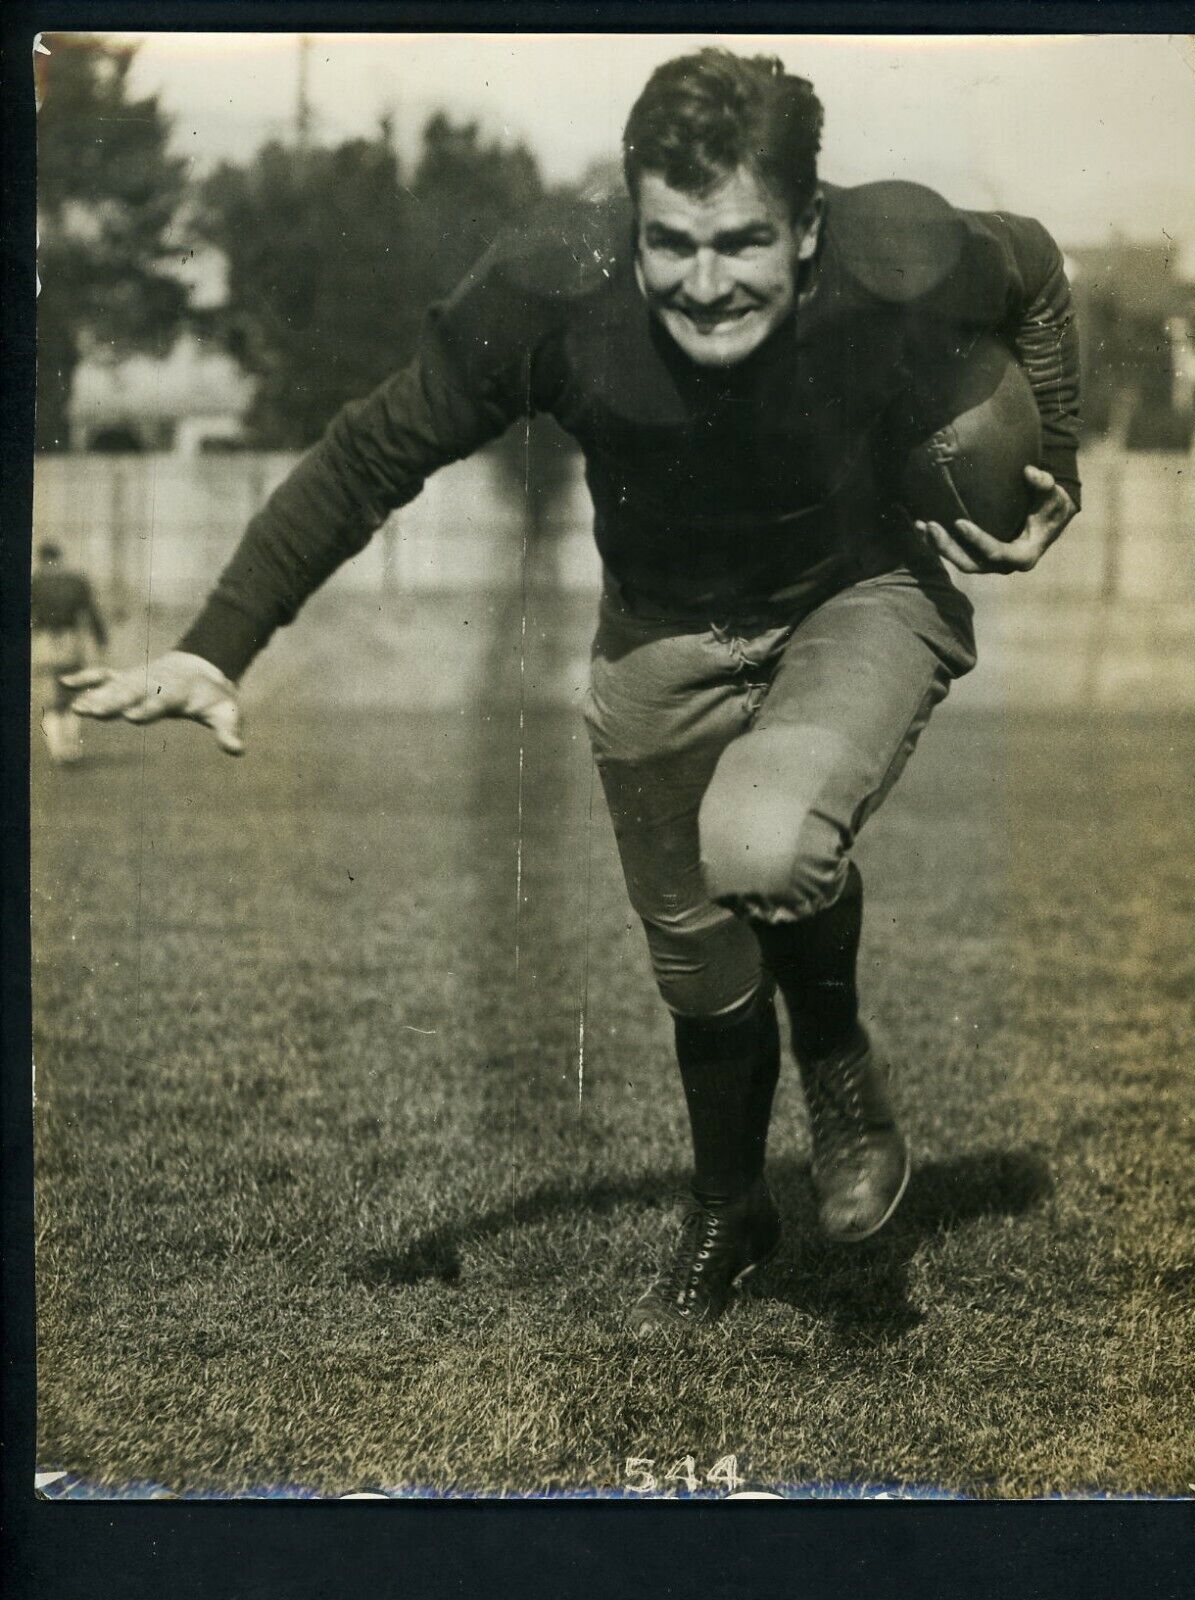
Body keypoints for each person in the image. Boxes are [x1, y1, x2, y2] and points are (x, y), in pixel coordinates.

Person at [67, 49, 1080, 1334]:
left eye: (741, 243)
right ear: (629, 217)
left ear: (808, 224)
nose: (703, 284)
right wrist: (217, 643)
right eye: (671, 242)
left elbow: (1038, 266)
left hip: (854, 594)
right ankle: (729, 1206)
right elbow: (374, 449)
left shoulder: (896, 249)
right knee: (693, 959)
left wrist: (1062, 452)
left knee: (761, 844)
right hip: (656, 631)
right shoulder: (554, 290)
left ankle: (833, 1050)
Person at [31, 542, 109, 765]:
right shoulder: (77, 580)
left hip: (45, 641)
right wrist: (101, 641)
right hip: (71, 641)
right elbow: (92, 613)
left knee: (50, 699)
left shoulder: (35, 582)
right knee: (70, 696)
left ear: (41, 558)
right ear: (60, 556)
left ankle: (57, 749)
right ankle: (72, 747)